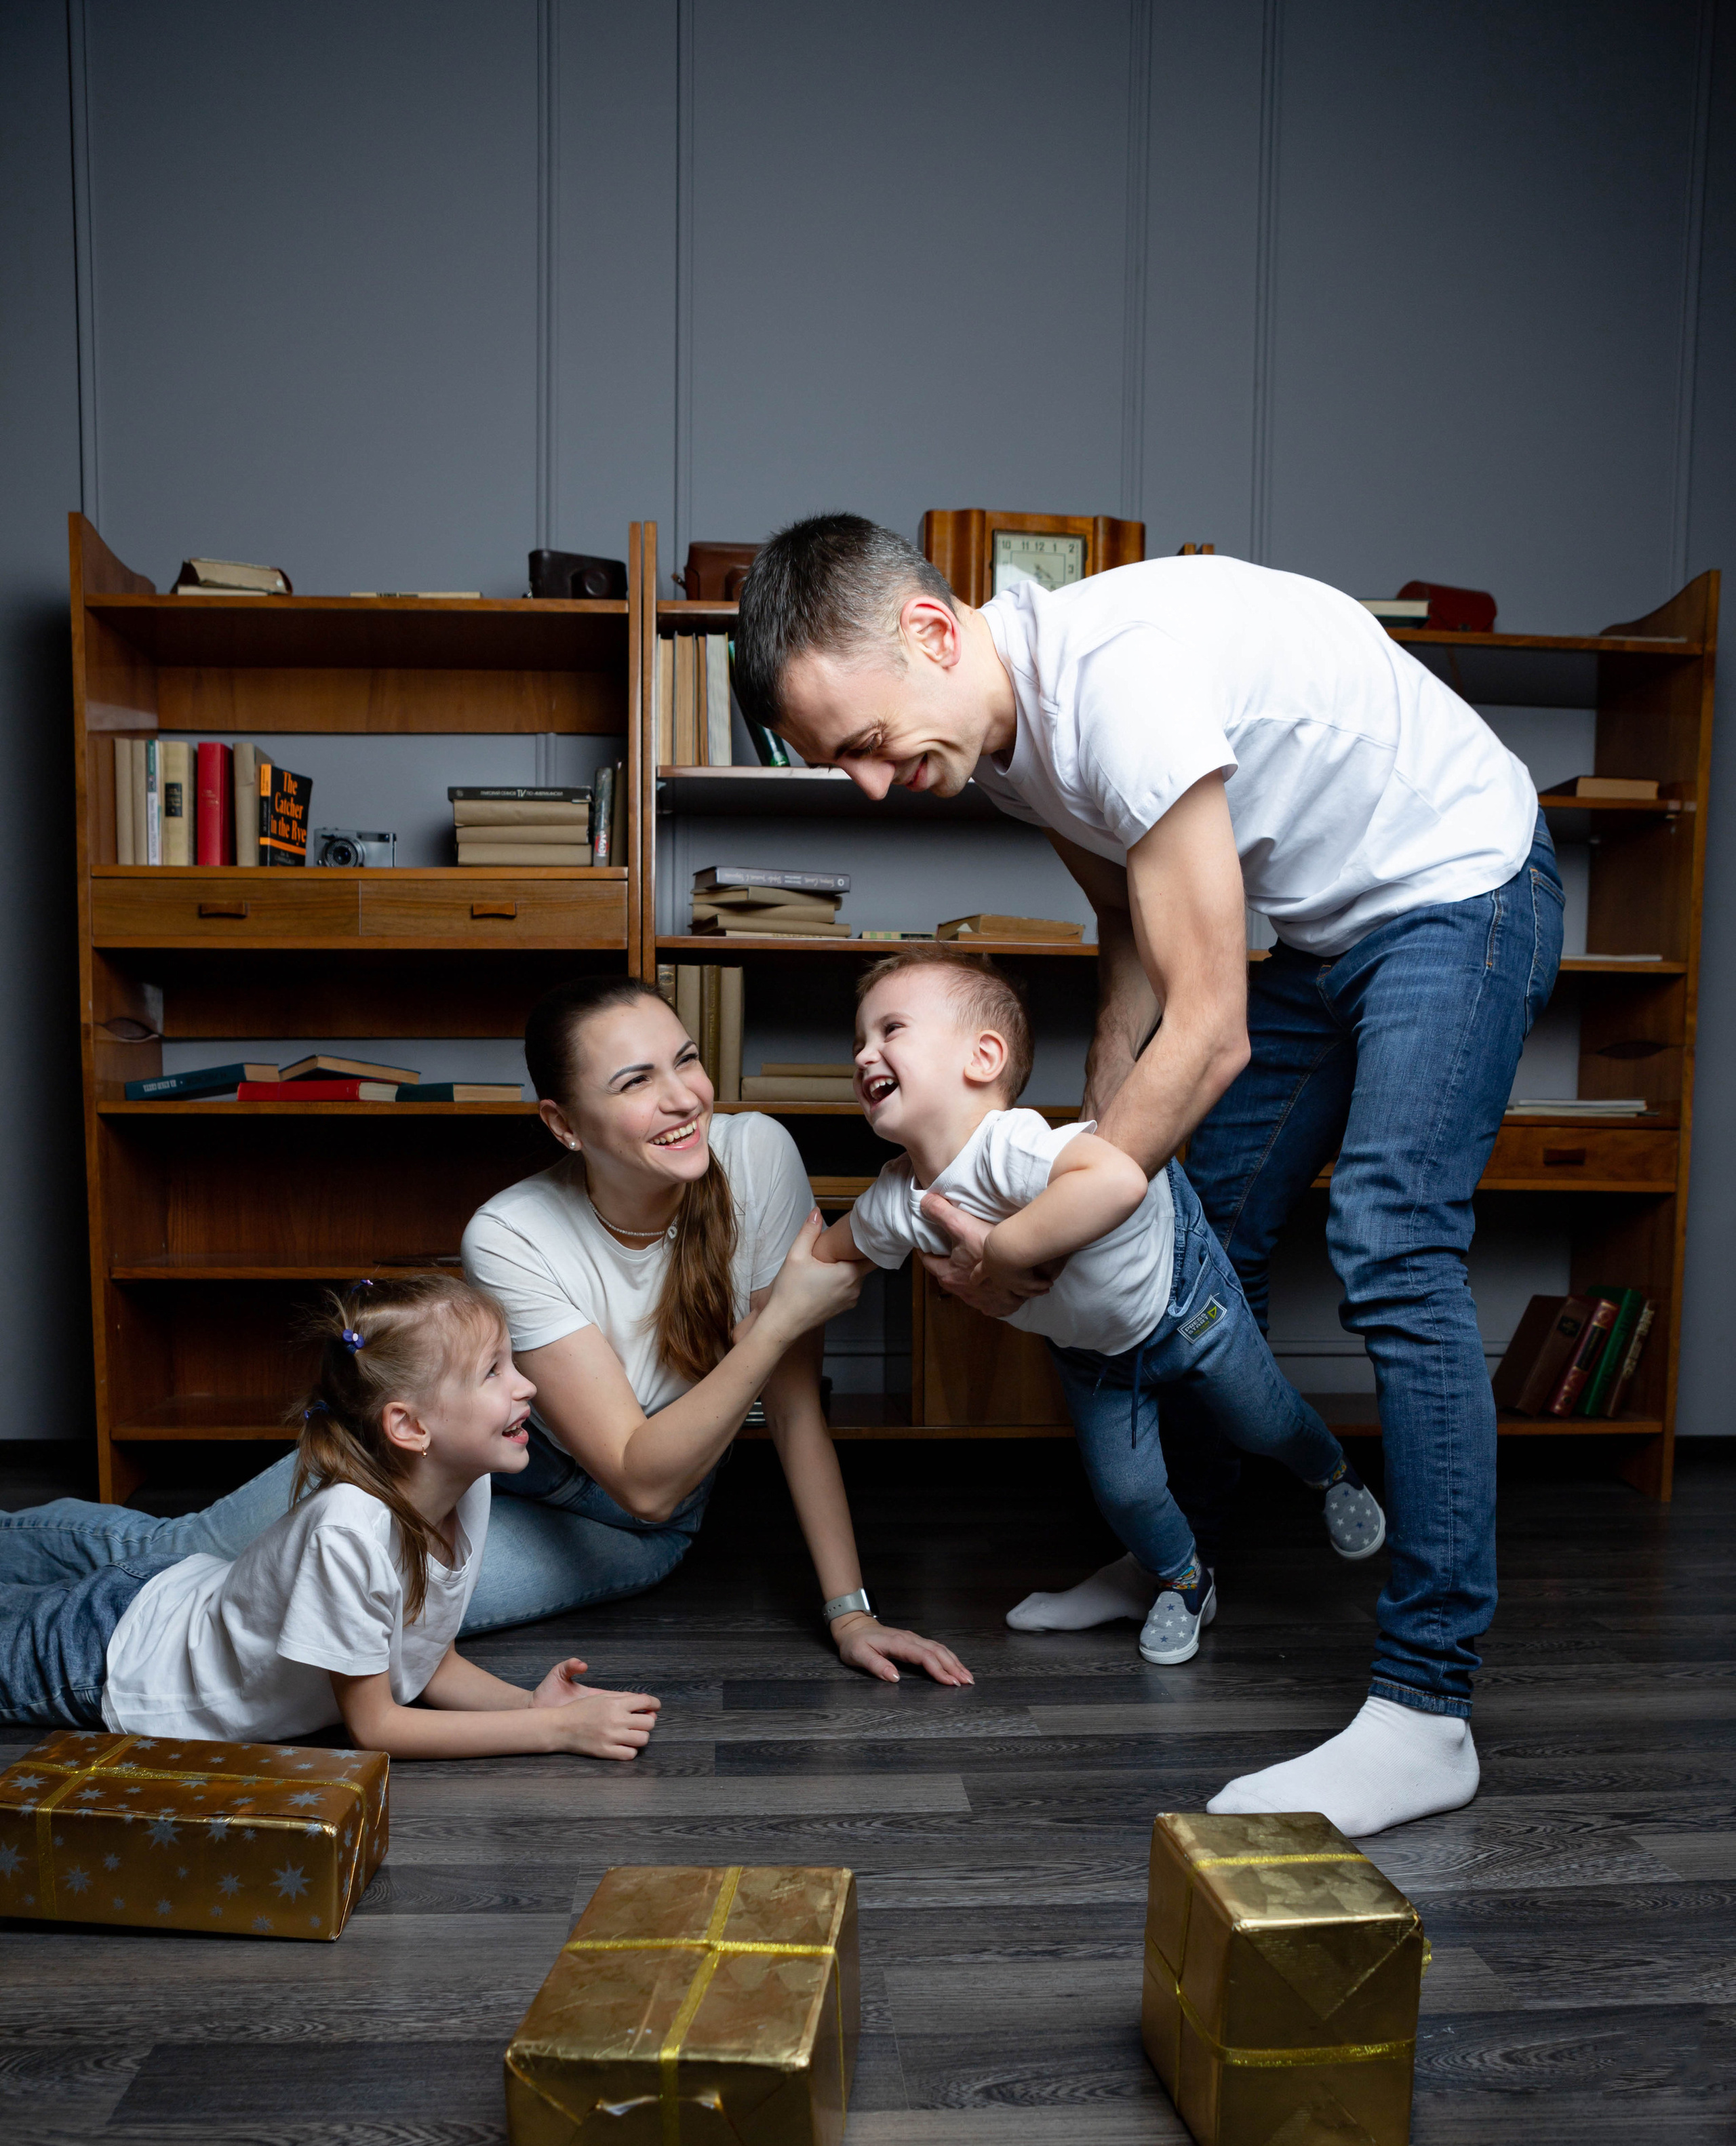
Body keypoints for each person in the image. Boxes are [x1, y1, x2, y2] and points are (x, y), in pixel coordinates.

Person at [736, 516, 1563, 1833]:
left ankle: (1423, 1709)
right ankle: (1181, 1558)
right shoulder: (1006, 755)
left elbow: (1212, 1026)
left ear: (933, 635)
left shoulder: (1116, 691)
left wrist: (1039, 1234)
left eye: (867, 745)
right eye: (843, 768)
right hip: (1306, 929)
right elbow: (1130, 943)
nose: (876, 788)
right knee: (1206, 1231)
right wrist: (1094, 1149)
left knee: (1389, 1244)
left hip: (1454, 883)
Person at [1, 978, 970, 1690]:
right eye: (636, 1081)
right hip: (470, 1460)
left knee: (306, 1612)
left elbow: (725, 1448)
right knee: (194, 1549)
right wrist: (782, 1317)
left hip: (625, 1527)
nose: (684, 1098)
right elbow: (636, 1450)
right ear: (564, 1123)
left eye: (686, 1060)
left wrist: (852, 1615)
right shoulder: (510, 1231)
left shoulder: (758, 1158)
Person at [815, 949, 1384, 1665]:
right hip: (1095, 1355)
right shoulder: (898, 1199)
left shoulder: (1012, 1146)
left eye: (890, 1029)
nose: (865, 1053)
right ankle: (1185, 1581)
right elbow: (835, 1251)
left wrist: (1003, 1250)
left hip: (1183, 1300)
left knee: (1260, 1420)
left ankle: (1329, 1471)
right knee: (1126, 1491)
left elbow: (1116, 1179)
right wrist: (779, 1283)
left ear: (983, 1056)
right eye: (858, 1040)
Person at [0, 1274, 659, 1757]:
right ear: (408, 1425)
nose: (526, 1386)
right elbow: (375, 1727)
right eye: (493, 1372)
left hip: (162, 1594)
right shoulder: (349, 1532)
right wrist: (552, 1732)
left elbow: (430, 1662)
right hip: (108, 1657)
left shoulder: (467, 1485)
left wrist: (531, 1703)